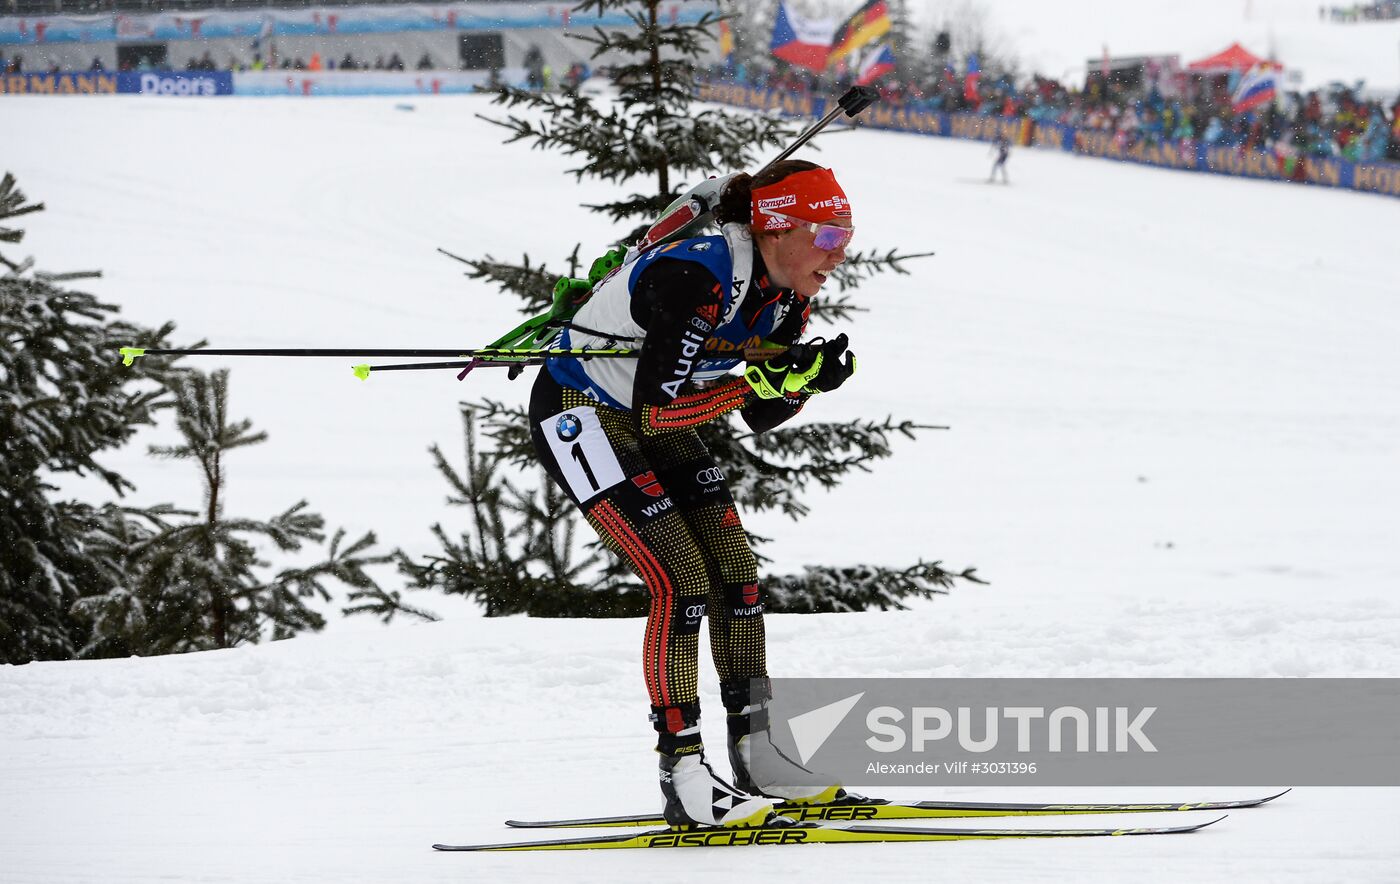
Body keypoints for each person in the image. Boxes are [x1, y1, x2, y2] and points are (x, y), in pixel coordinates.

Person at [527, 161, 858, 829]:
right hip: (581, 409)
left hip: (650, 415)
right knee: (680, 580)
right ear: (777, 225)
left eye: (846, 240)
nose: (837, 257)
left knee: (736, 571)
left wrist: (802, 380)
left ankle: (756, 751)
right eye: (827, 238)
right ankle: (682, 773)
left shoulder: (788, 294)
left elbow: (761, 416)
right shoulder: (699, 275)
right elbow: (660, 412)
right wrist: (755, 386)